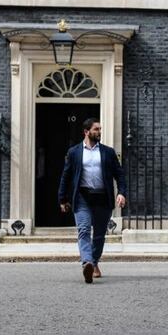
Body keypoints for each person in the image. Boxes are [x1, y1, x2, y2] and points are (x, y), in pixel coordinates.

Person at [58, 118, 126, 284]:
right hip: (82, 197)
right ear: (86, 132)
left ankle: (94, 262)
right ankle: (87, 262)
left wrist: (122, 193)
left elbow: (120, 174)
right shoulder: (74, 152)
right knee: (83, 230)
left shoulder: (108, 152)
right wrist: (63, 198)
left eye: (100, 129)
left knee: (100, 235)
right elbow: (66, 176)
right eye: (96, 129)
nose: (99, 132)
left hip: (103, 196)